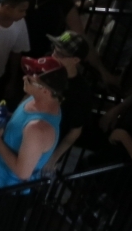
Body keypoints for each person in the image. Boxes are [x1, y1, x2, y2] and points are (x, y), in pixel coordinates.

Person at [0, 55, 65, 188]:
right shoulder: (36, 99)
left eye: (29, 79)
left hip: (5, 190)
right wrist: (4, 117)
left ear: (44, 90)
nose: (23, 78)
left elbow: (23, 173)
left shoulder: (38, 129)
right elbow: (22, 122)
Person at [41, 32, 93, 173]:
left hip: (46, 147)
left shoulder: (80, 92)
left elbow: (75, 131)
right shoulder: (45, 65)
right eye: (54, 49)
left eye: (60, 54)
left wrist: (53, 158)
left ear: (76, 60)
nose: (53, 55)